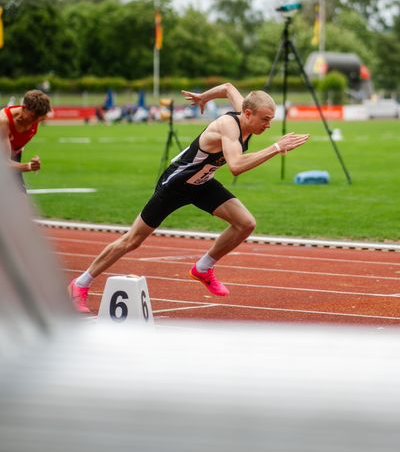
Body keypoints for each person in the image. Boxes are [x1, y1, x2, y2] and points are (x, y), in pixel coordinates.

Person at [68, 83, 309, 313]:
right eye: (265, 119)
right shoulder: (229, 125)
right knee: (132, 240)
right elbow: (235, 165)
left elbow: (227, 88)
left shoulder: (246, 112)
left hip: (203, 183)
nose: (268, 125)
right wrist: (275, 148)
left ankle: (202, 268)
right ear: (247, 113)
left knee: (245, 223)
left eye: (271, 119)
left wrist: (204, 97)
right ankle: (81, 282)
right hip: (175, 185)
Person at [0, 89, 52, 190]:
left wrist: (32, 164)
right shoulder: (3, 122)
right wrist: (29, 166)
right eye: (33, 117)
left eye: (39, 118)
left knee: (20, 199)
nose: (36, 121)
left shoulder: (38, 114)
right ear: (24, 108)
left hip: (14, 155)